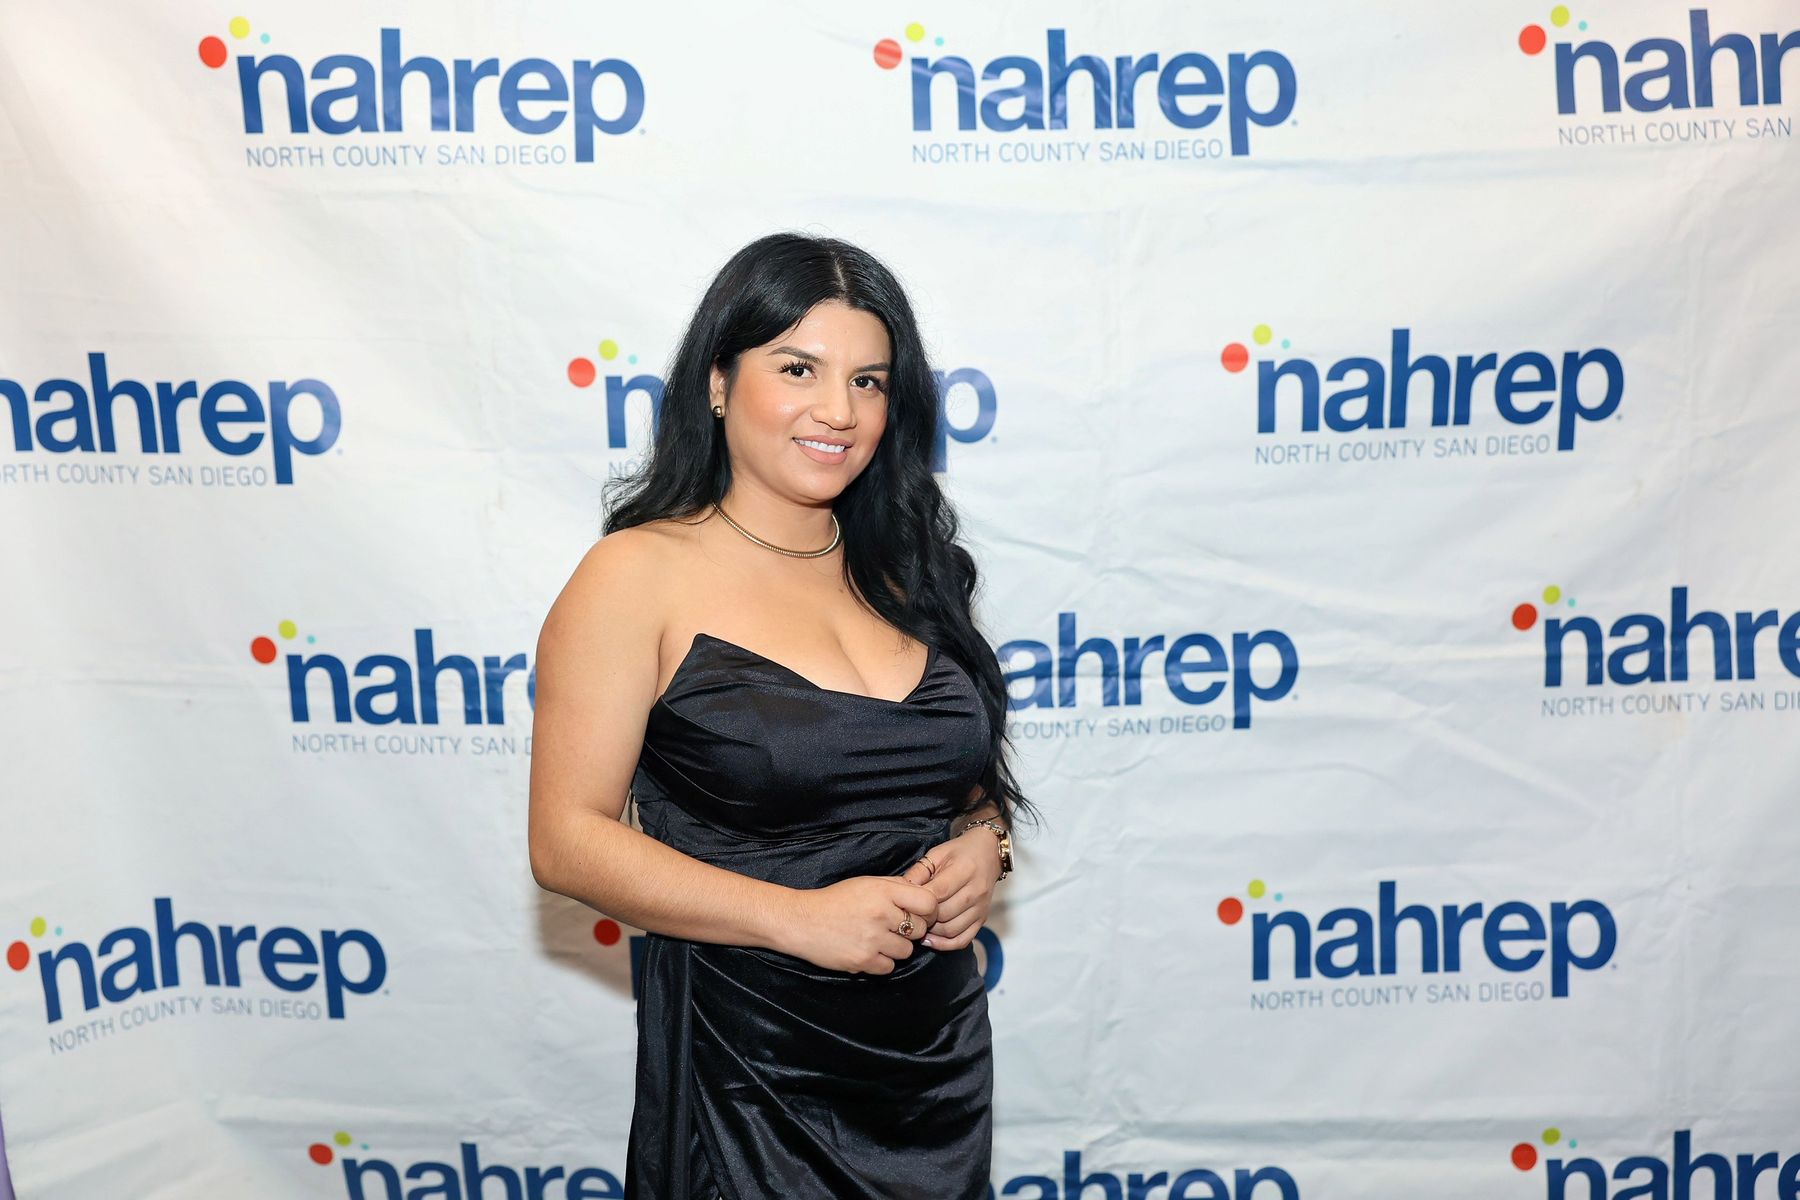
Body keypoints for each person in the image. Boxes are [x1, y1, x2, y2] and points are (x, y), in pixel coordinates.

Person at [527, 231, 1037, 1199]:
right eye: (798, 369)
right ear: (718, 383)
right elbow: (565, 841)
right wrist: (795, 919)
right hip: (750, 1080)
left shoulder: (908, 568)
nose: (838, 411)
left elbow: (954, 780)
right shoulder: (635, 576)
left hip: (933, 1072)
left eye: (868, 381)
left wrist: (985, 838)